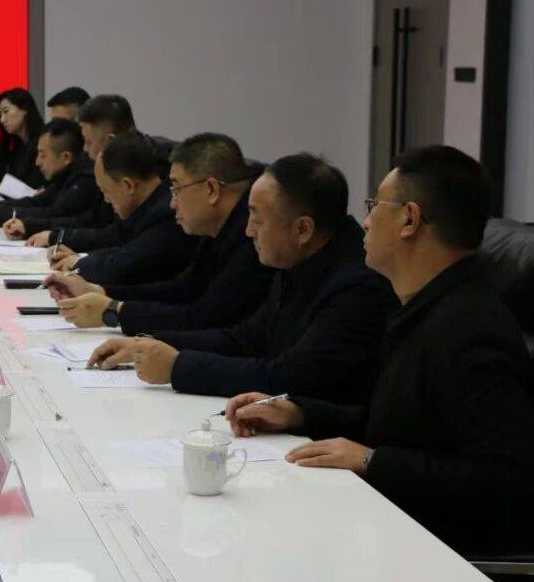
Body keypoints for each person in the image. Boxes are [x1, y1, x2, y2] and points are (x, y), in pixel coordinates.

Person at [224, 146, 534, 560]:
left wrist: (373, 461)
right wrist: (299, 412)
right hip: (389, 524)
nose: (365, 222)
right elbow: (397, 427)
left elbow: (506, 481)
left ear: (409, 219)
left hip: (434, 555)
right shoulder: (423, 308)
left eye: (375, 206)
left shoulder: (469, 329)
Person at [87, 153, 397, 401]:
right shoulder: (298, 259)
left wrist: (178, 367)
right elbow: (245, 338)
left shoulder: (357, 287)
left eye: (257, 220)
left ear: (303, 229)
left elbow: (288, 377)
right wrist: (147, 345)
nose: (248, 231)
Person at [48, 133, 274, 334]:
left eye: (177, 189)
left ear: (211, 189)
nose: (173, 203)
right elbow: (184, 289)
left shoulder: (253, 240)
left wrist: (115, 311)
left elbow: (205, 318)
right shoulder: (216, 229)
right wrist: (102, 292)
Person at [44, 134, 194, 288]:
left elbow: (125, 265)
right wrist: (80, 258)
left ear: (128, 185)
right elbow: (123, 250)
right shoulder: (148, 207)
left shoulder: (166, 215)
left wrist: (78, 263)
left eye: (106, 191)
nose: (106, 200)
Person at [23, 94, 171, 249]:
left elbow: (118, 236)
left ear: (111, 141)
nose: (85, 149)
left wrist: (58, 239)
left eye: (88, 142)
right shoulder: (112, 164)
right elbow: (96, 219)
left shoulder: (151, 171)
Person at [0, 119, 100, 227]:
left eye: (43, 155)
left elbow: (52, 213)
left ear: (66, 157)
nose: (37, 162)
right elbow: (36, 201)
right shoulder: (64, 175)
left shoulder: (84, 180)